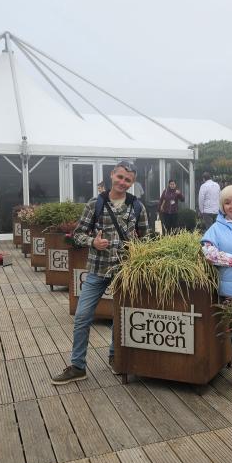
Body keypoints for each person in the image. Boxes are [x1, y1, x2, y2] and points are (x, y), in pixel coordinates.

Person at [51, 160, 149, 384]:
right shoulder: (95, 204)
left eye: (128, 180)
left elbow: (146, 237)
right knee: (82, 316)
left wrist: (137, 249)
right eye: (120, 177)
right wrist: (93, 242)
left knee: (120, 316)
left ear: (132, 183)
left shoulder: (137, 207)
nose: (123, 182)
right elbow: (77, 235)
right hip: (97, 268)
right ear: (112, 174)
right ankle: (78, 366)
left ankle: (115, 357)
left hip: (124, 270)